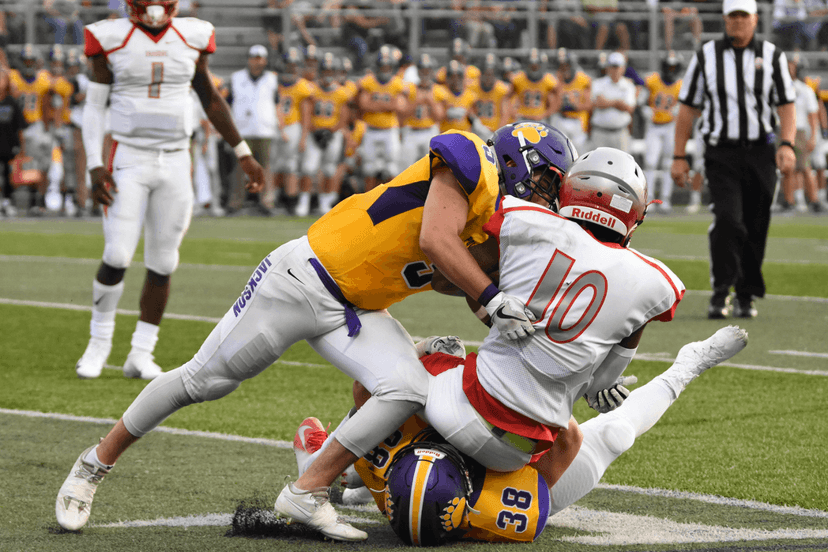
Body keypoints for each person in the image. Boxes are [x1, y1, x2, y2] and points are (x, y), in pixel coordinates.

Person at [55, 122, 564, 540]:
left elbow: (454, 279)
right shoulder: (472, 158)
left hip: (356, 309)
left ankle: (309, 487)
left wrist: (513, 324)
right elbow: (434, 239)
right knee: (202, 382)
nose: (546, 197)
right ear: (520, 157)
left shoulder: (493, 221)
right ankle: (93, 465)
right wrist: (493, 297)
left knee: (408, 387)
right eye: (545, 182)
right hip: (301, 282)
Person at [290, 326, 747, 545]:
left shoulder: (382, 457)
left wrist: (424, 347)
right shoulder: (499, 511)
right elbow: (565, 441)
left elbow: (367, 382)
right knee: (616, 435)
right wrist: (581, 392)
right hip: (524, 471)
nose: (441, 444)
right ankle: (690, 365)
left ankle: (337, 479)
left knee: (365, 431)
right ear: (467, 492)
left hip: (383, 475)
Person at [72, 0, 266, 381]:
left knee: (164, 261)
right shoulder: (108, 36)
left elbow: (209, 96)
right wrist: (95, 163)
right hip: (128, 155)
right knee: (116, 253)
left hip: (177, 159)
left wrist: (242, 152)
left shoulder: (193, 34)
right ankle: (98, 345)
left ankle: (141, 353)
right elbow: (94, 107)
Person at [671, 0, 796, 320]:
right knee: (728, 219)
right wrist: (679, 155)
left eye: (743, 16)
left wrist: (787, 144)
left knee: (757, 222)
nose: (738, 22)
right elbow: (687, 108)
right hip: (721, 152)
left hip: (760, 152)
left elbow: (786, 105)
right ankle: (721, 290)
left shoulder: (772, 56)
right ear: (725, 19)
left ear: (754, 19)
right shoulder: (706, 56)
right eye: (732, 16)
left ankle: (745, 293)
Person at [226, 44, 279, 215]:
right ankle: (235, 202)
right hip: (242, 130)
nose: (257, 62)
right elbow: (228, 103)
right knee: (239, 168)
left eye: (260, 59)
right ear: (248, 59)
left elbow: (277, 104)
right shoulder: (236, 78)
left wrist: (280, 127)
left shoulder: (272, 79)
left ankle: (267, 202)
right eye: (254, 58)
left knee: (266, 167)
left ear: (265, 60)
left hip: (265, 129)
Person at [356, 44, 407, 191]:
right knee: (369, 168)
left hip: (390, 130)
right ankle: (368, 200)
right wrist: (387, 105)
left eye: (387, 67)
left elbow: (400, 107)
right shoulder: (369, 81)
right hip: (371, 130)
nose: (385, 70)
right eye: (382, 66)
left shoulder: (397, 83)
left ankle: (391, 200)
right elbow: (364, 105)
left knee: (392, 167)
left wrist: (376, 104)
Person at [642, 51, 683, 213]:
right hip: (654, 126)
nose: (671, 70)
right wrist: (645, 109)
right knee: (650, 162)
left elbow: (687, 106)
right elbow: (640, 101)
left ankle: (665, 199)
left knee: (668, 164)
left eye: (674, 67)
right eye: (669, 67)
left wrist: (680, 110)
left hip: (670, 127)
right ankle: (650, 199)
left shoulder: (681, 85)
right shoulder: (652, 81)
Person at [780, 53, 821, 213]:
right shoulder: (779, 88)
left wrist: (813, 136)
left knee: (805, 167)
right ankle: (788, 201)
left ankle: (815, 200)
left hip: (800, 131)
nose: (790, 68)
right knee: (786, 168)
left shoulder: (805, 90)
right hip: (784, 129)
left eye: (793, 65)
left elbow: (813, 115)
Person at [590, 52, 636, 152]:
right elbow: (599, 103)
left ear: (623, 68)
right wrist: (618, 102)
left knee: (622, 165)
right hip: (600, 132)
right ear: (607, 68)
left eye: (617, 67)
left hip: (620, 132)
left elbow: (629, 108)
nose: (615, 70)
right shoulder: (598, 83)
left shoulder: (628, 85)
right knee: (598, 165)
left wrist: (608, 102)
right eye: (613, 67)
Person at [551, 48, 591, 155]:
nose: (565, 68)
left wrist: (576, 106)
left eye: (567, 65)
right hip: (560, 118)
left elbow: (589, 104)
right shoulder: (555, 79)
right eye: (562, 65)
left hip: (578, 120)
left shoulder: (584, 79)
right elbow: (551, 103)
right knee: (560, 153)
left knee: (580, 154)